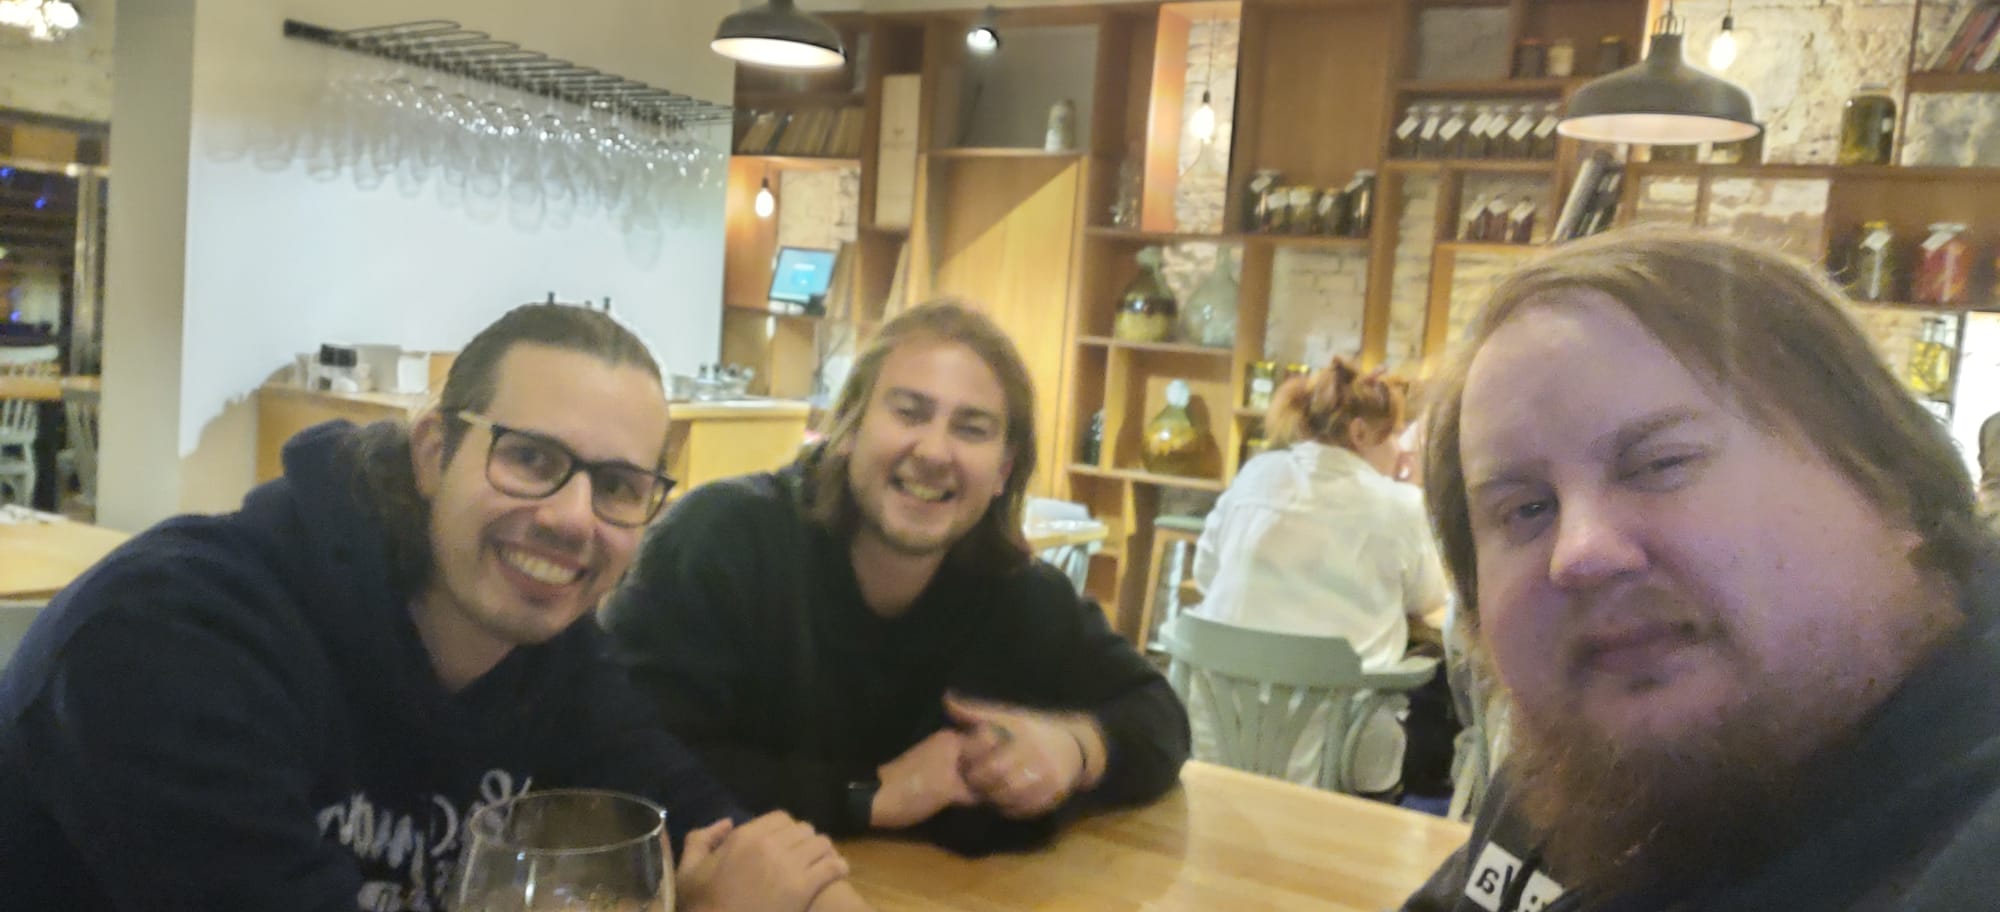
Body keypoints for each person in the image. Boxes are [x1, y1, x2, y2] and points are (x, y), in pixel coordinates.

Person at [0, 304, 868, 912]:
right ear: (432, 451)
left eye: (617, 486)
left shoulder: (546, 652)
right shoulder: (170, 642)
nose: (571, 519)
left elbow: (731, 838)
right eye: (530, 458)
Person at [1402, 228, 1999, 912]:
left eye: (1663, 464)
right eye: (1527, 509)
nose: (1582, 552)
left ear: (1894, 488)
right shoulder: (1601, 769)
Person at [601, 300, 1189, 856]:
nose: (935, 451)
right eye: (909, 412)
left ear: (1004, 470)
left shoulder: (1020, 594)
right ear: (849, 429)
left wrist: (1076, 748)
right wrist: (873, 792)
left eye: (972, 428)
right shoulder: (720, 542)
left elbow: (1157, 711)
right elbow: (626, 759)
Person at [1189, 358, 1450, 792]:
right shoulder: (1397, 504)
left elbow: (1205, 574)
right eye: (1392, 436)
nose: (1401, 450)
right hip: (1337, 760)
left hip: (1220, 737)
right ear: (1360, 434)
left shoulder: (1256, 474)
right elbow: (1429, 598)